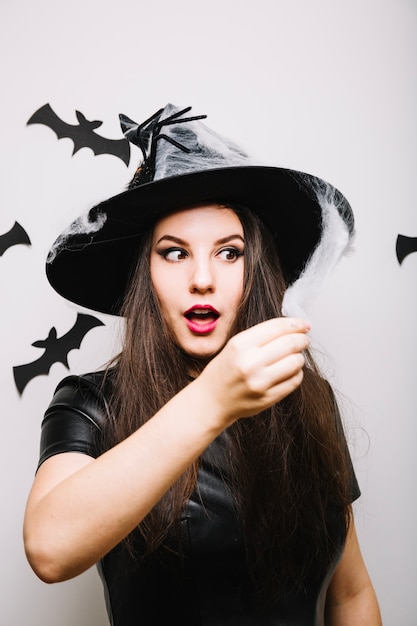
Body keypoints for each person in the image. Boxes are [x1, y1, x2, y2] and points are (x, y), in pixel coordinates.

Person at [23, 103, 382, 625]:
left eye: (229, 253)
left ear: (254, 269)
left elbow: (351, 594)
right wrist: (213, 399)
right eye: (174, 253)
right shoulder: (92, 403)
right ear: (145, 275)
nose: (203, 279)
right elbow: (50, 549)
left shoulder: (308, 397)